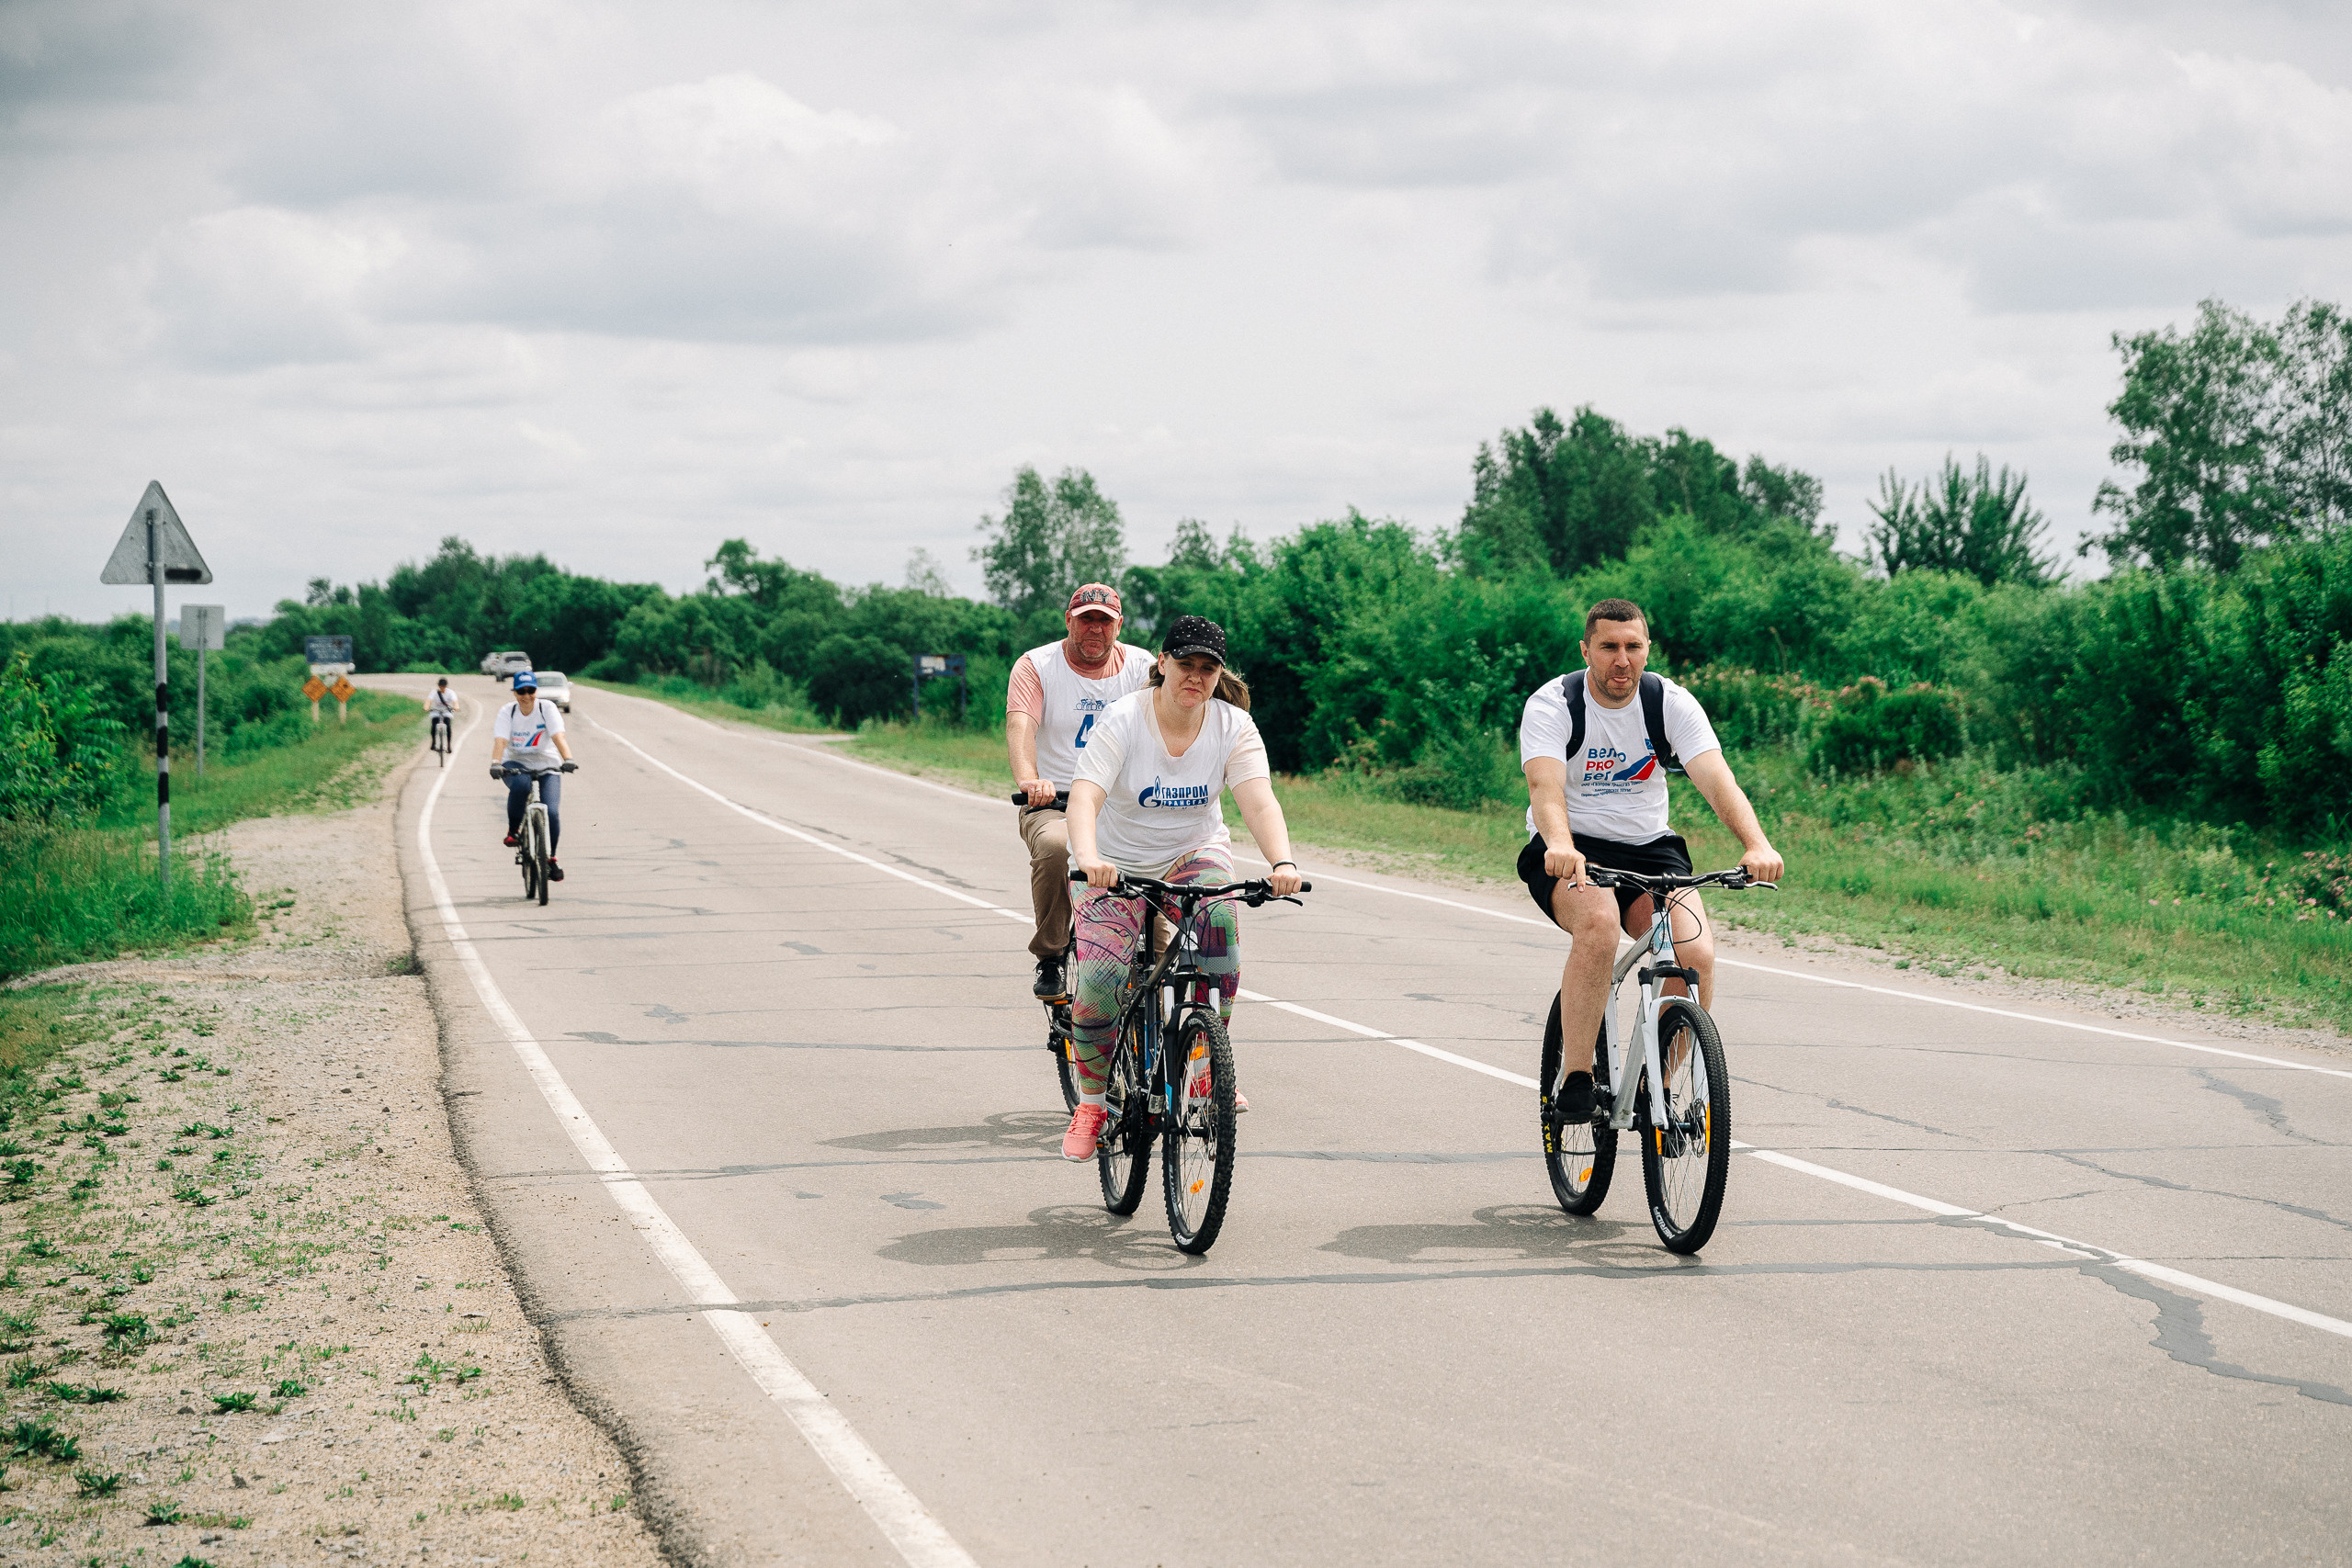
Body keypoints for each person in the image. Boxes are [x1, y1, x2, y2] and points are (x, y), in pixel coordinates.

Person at [1518, 598, 1783, 1123]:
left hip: (1652, 849)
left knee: (1695, 955)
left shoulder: (1670, 703)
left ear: (1647, 649)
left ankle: (1657, 1089)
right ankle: (1575, 1074)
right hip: (1571, 846)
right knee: (1598, 925)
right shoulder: (1554, 704)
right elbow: (1544, 786)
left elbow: (1715, 779)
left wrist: (1757, 843)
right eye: (1609, 647)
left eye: (1632, 646)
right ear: (1586, 650)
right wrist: (1560, 843)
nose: (1622, 659)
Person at [1061, 615, 1302, 1161]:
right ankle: (1093, 1103)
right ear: (1162, 665)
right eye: (1185, 664)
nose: (1195, 677)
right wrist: (1090, 857)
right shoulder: (1124, 719)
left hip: (1192, 853)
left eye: (1207, 668)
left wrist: (1281, 861)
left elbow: (1258, 800)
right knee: (1099, 979)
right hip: (1114, 861)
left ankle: (1205, 1063)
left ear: (1219, 675)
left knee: (1219, 929)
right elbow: (1085, 795)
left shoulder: (1232, 726)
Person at [1005, 583, 1155, 1001]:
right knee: (1056, 846)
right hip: (1056, 800)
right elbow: (1021, 727)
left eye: (1104, 622)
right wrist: (1029, 780)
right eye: (1086, 619)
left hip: (1122, 801)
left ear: (1118, 626)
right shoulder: (1037, 665)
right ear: (1068, 620)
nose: (1095, 629)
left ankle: (1158, 959)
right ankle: (1051, 954)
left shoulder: (1142, 668)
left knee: (1165, 853)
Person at [488, 671, 574, 881]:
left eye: (531, 690)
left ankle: (551, 858)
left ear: (536, 690)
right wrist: (496, 763)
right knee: (521, 785)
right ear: (514, 692)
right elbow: (500, 740)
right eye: (521, 691)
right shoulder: (507, 712)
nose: (526, 695)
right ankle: (514, 831)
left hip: (547, 763)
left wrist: (568, 759)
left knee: (552, 812)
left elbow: (557, 736)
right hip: (515, 762)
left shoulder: (547, 708)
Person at [424, 678, 459, 750]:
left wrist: (456, 707)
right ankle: (433, 741)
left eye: (443, 686)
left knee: (448, 726)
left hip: (446, 711)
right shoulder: (434, 692)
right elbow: (428, 701)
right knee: (434, 725)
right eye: (441, 686)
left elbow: (455, 701)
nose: (442, 688)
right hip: (436, 710)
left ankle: (449, 745)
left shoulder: (450, 692)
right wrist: (426, 707)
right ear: (438, 686)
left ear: (446, 686)